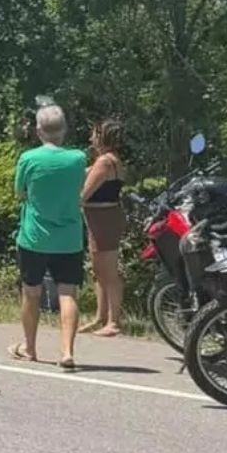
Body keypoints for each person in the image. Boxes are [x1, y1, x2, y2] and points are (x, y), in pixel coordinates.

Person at [12, 105, 88, 370]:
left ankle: (30, 347)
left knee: (31, 292)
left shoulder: (28, 159)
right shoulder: (78, 158)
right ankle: (66, 351)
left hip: (34, 236)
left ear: (38, 130)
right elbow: (79, 187)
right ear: (64, 129)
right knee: (68, 293)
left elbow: (20, 192)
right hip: (68, 237)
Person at [81, 118, 127, 338]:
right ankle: (100, 317)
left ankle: (113, 322)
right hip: (104, 218)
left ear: (103, 137)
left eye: (94, 134)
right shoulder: (112, 160)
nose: (91, 138)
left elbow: (84, 194)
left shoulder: (104, 163)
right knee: (99, 271)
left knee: (108, 272)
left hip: (103, 219)